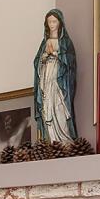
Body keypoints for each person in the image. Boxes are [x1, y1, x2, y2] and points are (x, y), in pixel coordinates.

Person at [30, 9, 78, 146]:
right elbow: (37, 62)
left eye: (54, 21)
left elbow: (70, 62)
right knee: (46, 107)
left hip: (59, 81)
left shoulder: (66, 43)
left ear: (59, 23)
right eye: (49, 22)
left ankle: (64, 140)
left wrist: (57, 55)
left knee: (59, 106)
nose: (51, 24)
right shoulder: (44, 43)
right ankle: (51, 141)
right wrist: (45, 56)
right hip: (46, 78)